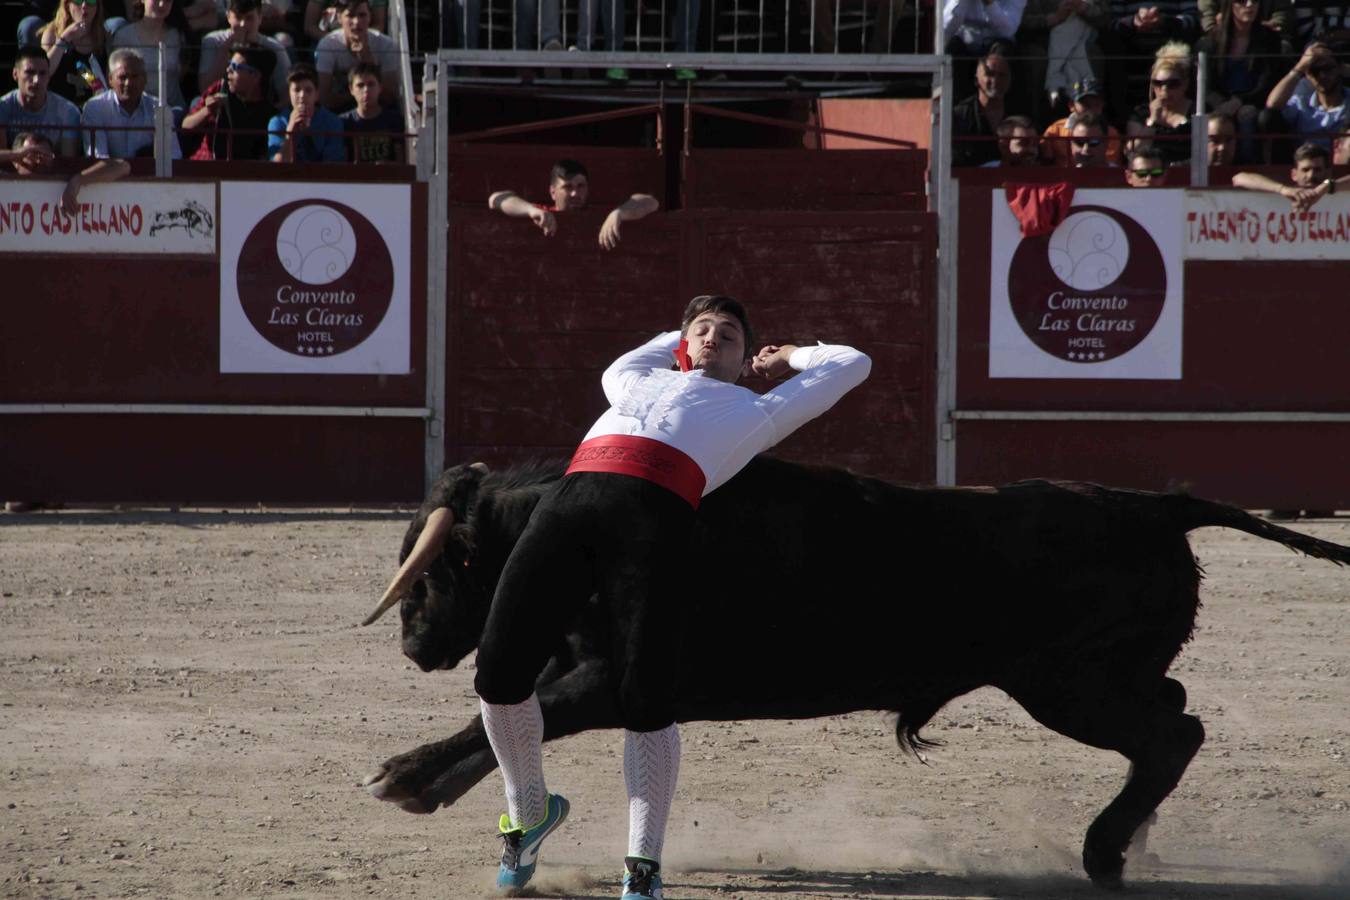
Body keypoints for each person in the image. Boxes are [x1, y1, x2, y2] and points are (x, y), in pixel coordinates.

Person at [473, 294, 870, 900]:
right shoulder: (627, 380)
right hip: (566, 510)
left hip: (652, 528)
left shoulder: (760, 408)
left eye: (730, 335)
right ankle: (529, 811)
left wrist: (787, 356)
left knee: (645, 699)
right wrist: (689, 332)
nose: (714, 338)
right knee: (498, 674)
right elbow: (661, 344)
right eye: (703, 331)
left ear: (745, 362)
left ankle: (642, 865)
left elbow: (851, 363)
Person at [488, 159, 661, 250]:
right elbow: (496, 199)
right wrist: (530, 210)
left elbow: (651, 202)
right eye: (567, 187)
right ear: (553, 192)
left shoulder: (604, 217)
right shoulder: (543, 213)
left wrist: (619, 213)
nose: (575, 193)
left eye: (580, 186)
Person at [1195, 0, 1283, 164]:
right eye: (1242, 1)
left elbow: (1268, 82)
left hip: (1253, 102)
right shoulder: (1209, 42)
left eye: (1255, 1)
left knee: (1249, 118)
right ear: (1230, 5)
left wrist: (1241, 102)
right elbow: (1205, 85)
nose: (1249, 5)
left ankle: (1248, 167)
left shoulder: (1269, 40)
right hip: (1220, 103)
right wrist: (1222, 104)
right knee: (1215, 122)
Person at [1099, 2, 1201, 124]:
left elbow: (1194, 22)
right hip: (1130, 53)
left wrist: (1165, 21)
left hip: (1173, 48)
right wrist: (1133, 22)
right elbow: (1110, 24)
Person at [81, 48, 180, 159]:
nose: (128, 83)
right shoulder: (95, 108)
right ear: (110, 79)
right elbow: (98, 158)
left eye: (134, 76)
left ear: (145, 79)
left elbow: (173, 156)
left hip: (148, 174)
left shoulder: (160, 109)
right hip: (109, 175)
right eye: (122, 77)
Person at [1260, 41, 1349, 163]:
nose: (1322, 75)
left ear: (1340, 68)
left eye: (1327, 69)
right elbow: (1272, 106)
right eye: (1315, 71)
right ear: (1307, 74)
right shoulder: (1301, 102)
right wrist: (1299, 67)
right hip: (1305, 167)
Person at [184, 47, 276, 159]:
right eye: (229, 64)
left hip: (240, 173)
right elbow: (186, 127)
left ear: (255, 76)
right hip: (204, 166)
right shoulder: (220, 88)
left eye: (235, 67)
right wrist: (207, 111)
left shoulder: (269, 115)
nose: (228, 70)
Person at [198, 0, 292, 106]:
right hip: (220, 105)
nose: (243, 24)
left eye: (249, 18)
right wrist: (226, 47)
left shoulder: (274, 47)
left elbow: (287, 94)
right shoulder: (213, 41)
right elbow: (204, 88)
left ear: (260, 18)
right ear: (228, 17)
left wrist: (269, 114)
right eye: (238, 17)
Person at [314, 0, 399, 112]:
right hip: (339, 109)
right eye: (350, 15)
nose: (357, 21)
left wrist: (366, 58)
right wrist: (358, 95)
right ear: (339, 18)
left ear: (370, 17)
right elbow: (324, 98)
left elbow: (390, 96)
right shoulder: (327, 44)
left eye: (362, 15)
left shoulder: (386, 45)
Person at [0, 46, 83, 158]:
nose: (36, 80)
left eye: (42, 73)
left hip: (53, 172)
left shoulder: (68, 111)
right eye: (30, 72)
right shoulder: (3, 107)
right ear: (15, 74)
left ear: (49, 76)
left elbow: (67, 161)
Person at [108, 0, 187, 109]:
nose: (161, 4)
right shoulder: (124, 36)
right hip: (136, 110)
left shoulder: (177, 36)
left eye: (167, 1)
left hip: (172, 109)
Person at [1125, 41, 1194, 165]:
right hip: (1151, 174)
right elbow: (1134, 153)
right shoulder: (1141, 113)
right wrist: (1153, 121)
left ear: (1185, 84)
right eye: (1158, 83)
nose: (1164, 90)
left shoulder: (1197, 112)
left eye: (1172, 84)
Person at [268, 63, 345, 162]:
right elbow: (277, 167)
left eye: (308, 90)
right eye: (296, 90)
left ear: (316, 94)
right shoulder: (277, 122)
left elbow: (332, 165)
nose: (302, 95)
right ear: (289, 93)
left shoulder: (333, 122)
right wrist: (290, 133)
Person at [39, 0, 111, 106]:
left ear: (97, 7)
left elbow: (108, 81)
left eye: (91, 1)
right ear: (67, 5)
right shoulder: (52, 33)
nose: (84, 5)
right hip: (59, 107)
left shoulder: (104, 36)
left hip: (93, 108)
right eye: (78, 1)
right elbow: (43, 72)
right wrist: (64, 39)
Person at [1042, 77, 1124, 165]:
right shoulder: (1055, 130)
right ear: (1071, 105)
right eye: (1086, 104)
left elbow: (1106, 163)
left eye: (1097, 104)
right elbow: (1045, 161)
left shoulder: (1111, 133)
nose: (1091, 109)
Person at [952, 50, 1014, 166]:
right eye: (989, 74)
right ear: (976, 80)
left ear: (1010, 80)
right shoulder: (959, 115)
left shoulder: (1020, 110)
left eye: (1002, 75)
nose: (995, 81)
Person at [1231, 140, 1335, 206]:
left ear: (1327, 173)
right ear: (1294, 174)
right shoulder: (1285, 192)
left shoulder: (1340, 193)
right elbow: (1239, 178)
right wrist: (1282, 189)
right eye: (1305, 170)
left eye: (1317, 170)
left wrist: (1328, 185)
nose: (1311, 175)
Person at [339, 61, 402, 163]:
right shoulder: (343, 122)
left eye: (371, 84)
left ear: (380, 87)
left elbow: (401, 162)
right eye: (360, 85)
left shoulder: (395, 120)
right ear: (351, 90)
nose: (366, 90)